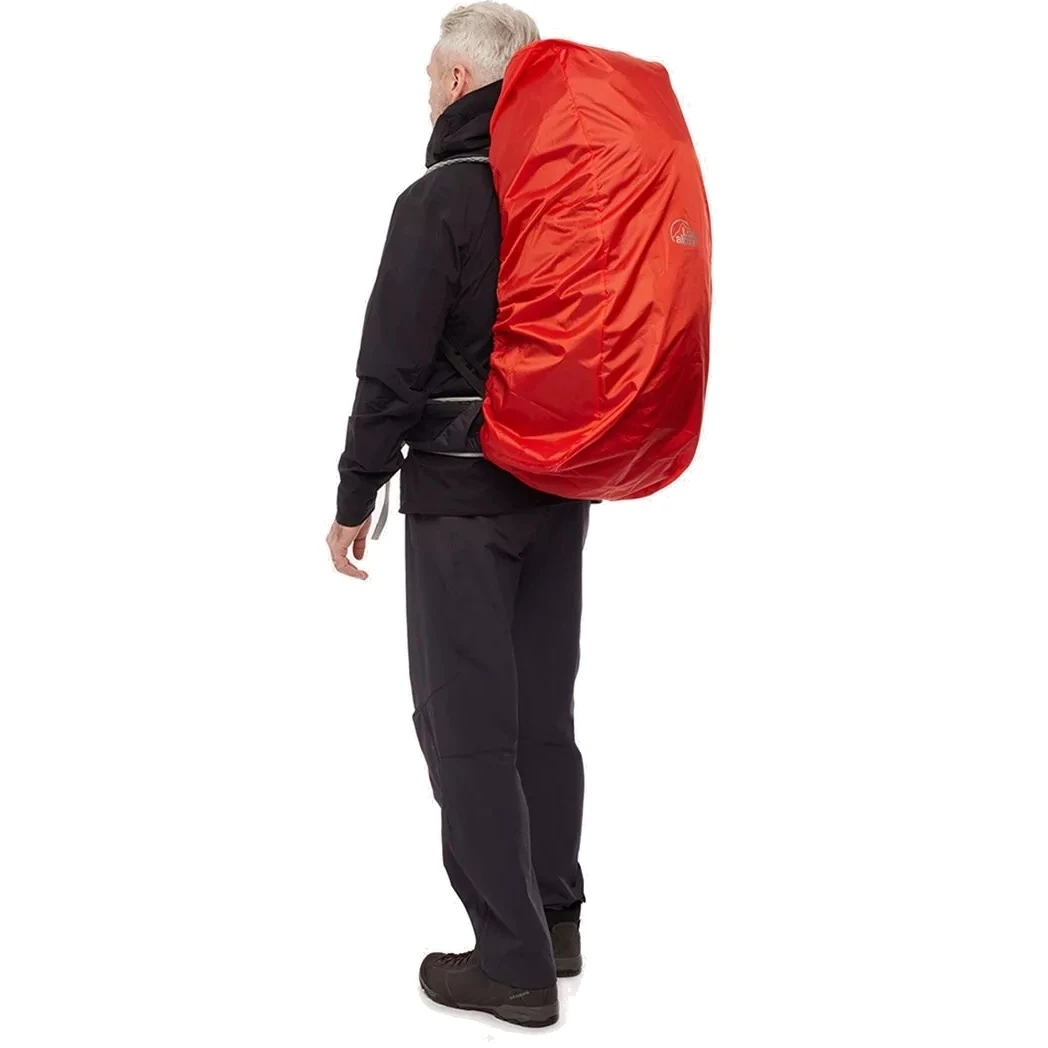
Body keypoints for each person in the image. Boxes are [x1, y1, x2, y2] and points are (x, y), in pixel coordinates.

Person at [325, 2, 587, 1030]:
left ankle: (512, 964)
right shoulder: (564, 192)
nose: (425, 89)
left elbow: (392, 361)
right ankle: (555, 921)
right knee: (541, 715)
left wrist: (356, 492)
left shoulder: (442, 198)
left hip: (462, 499)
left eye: (431, 73)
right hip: (559, 490)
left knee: (466, 724)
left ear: (462, 83)